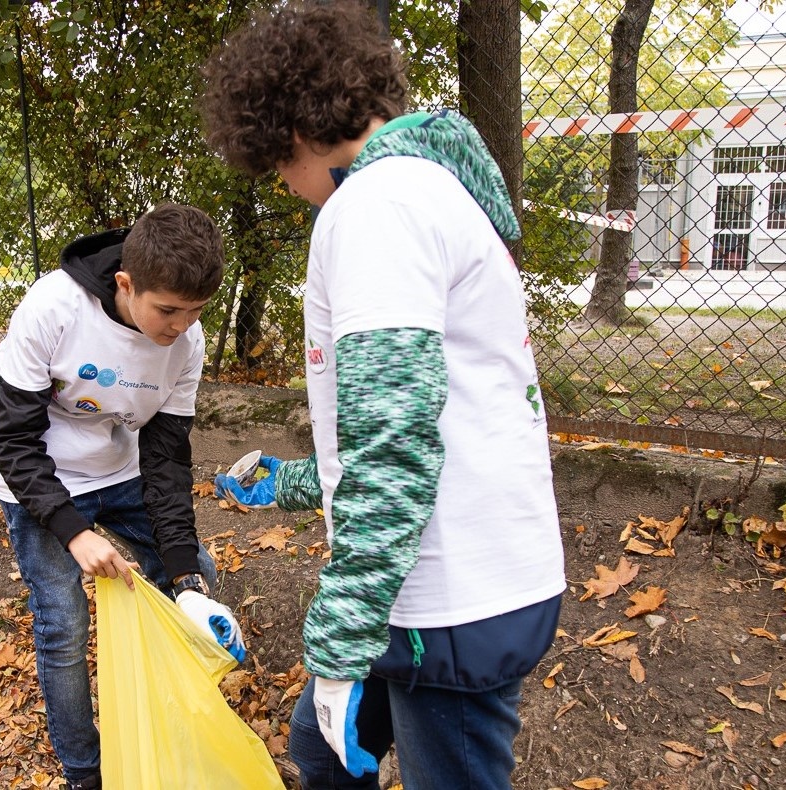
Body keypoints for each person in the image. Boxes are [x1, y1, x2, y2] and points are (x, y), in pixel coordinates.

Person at [200, 4, 566, 788]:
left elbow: (395, 441)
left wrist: (334, 648)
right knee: (319, 756)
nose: (286, 187)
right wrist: (296, 483)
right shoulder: (422, 192)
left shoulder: (373, 208)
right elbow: (427, 415)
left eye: (275, 166)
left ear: (293, 133)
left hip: (446, 602)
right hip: (436, 583)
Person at [0, 203, 245, 790]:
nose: (181, 326)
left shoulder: (187, 342)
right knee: (63, 624)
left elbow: (167, 462)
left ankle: (167, 728)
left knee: (193, 570)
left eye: (196, 312)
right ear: (125, 284)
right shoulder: (55, 308)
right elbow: (13, 439)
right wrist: (73, 531)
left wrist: (188, 586)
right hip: (29, 470)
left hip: (113, 459)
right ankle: (84, 772)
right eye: (168, 310)